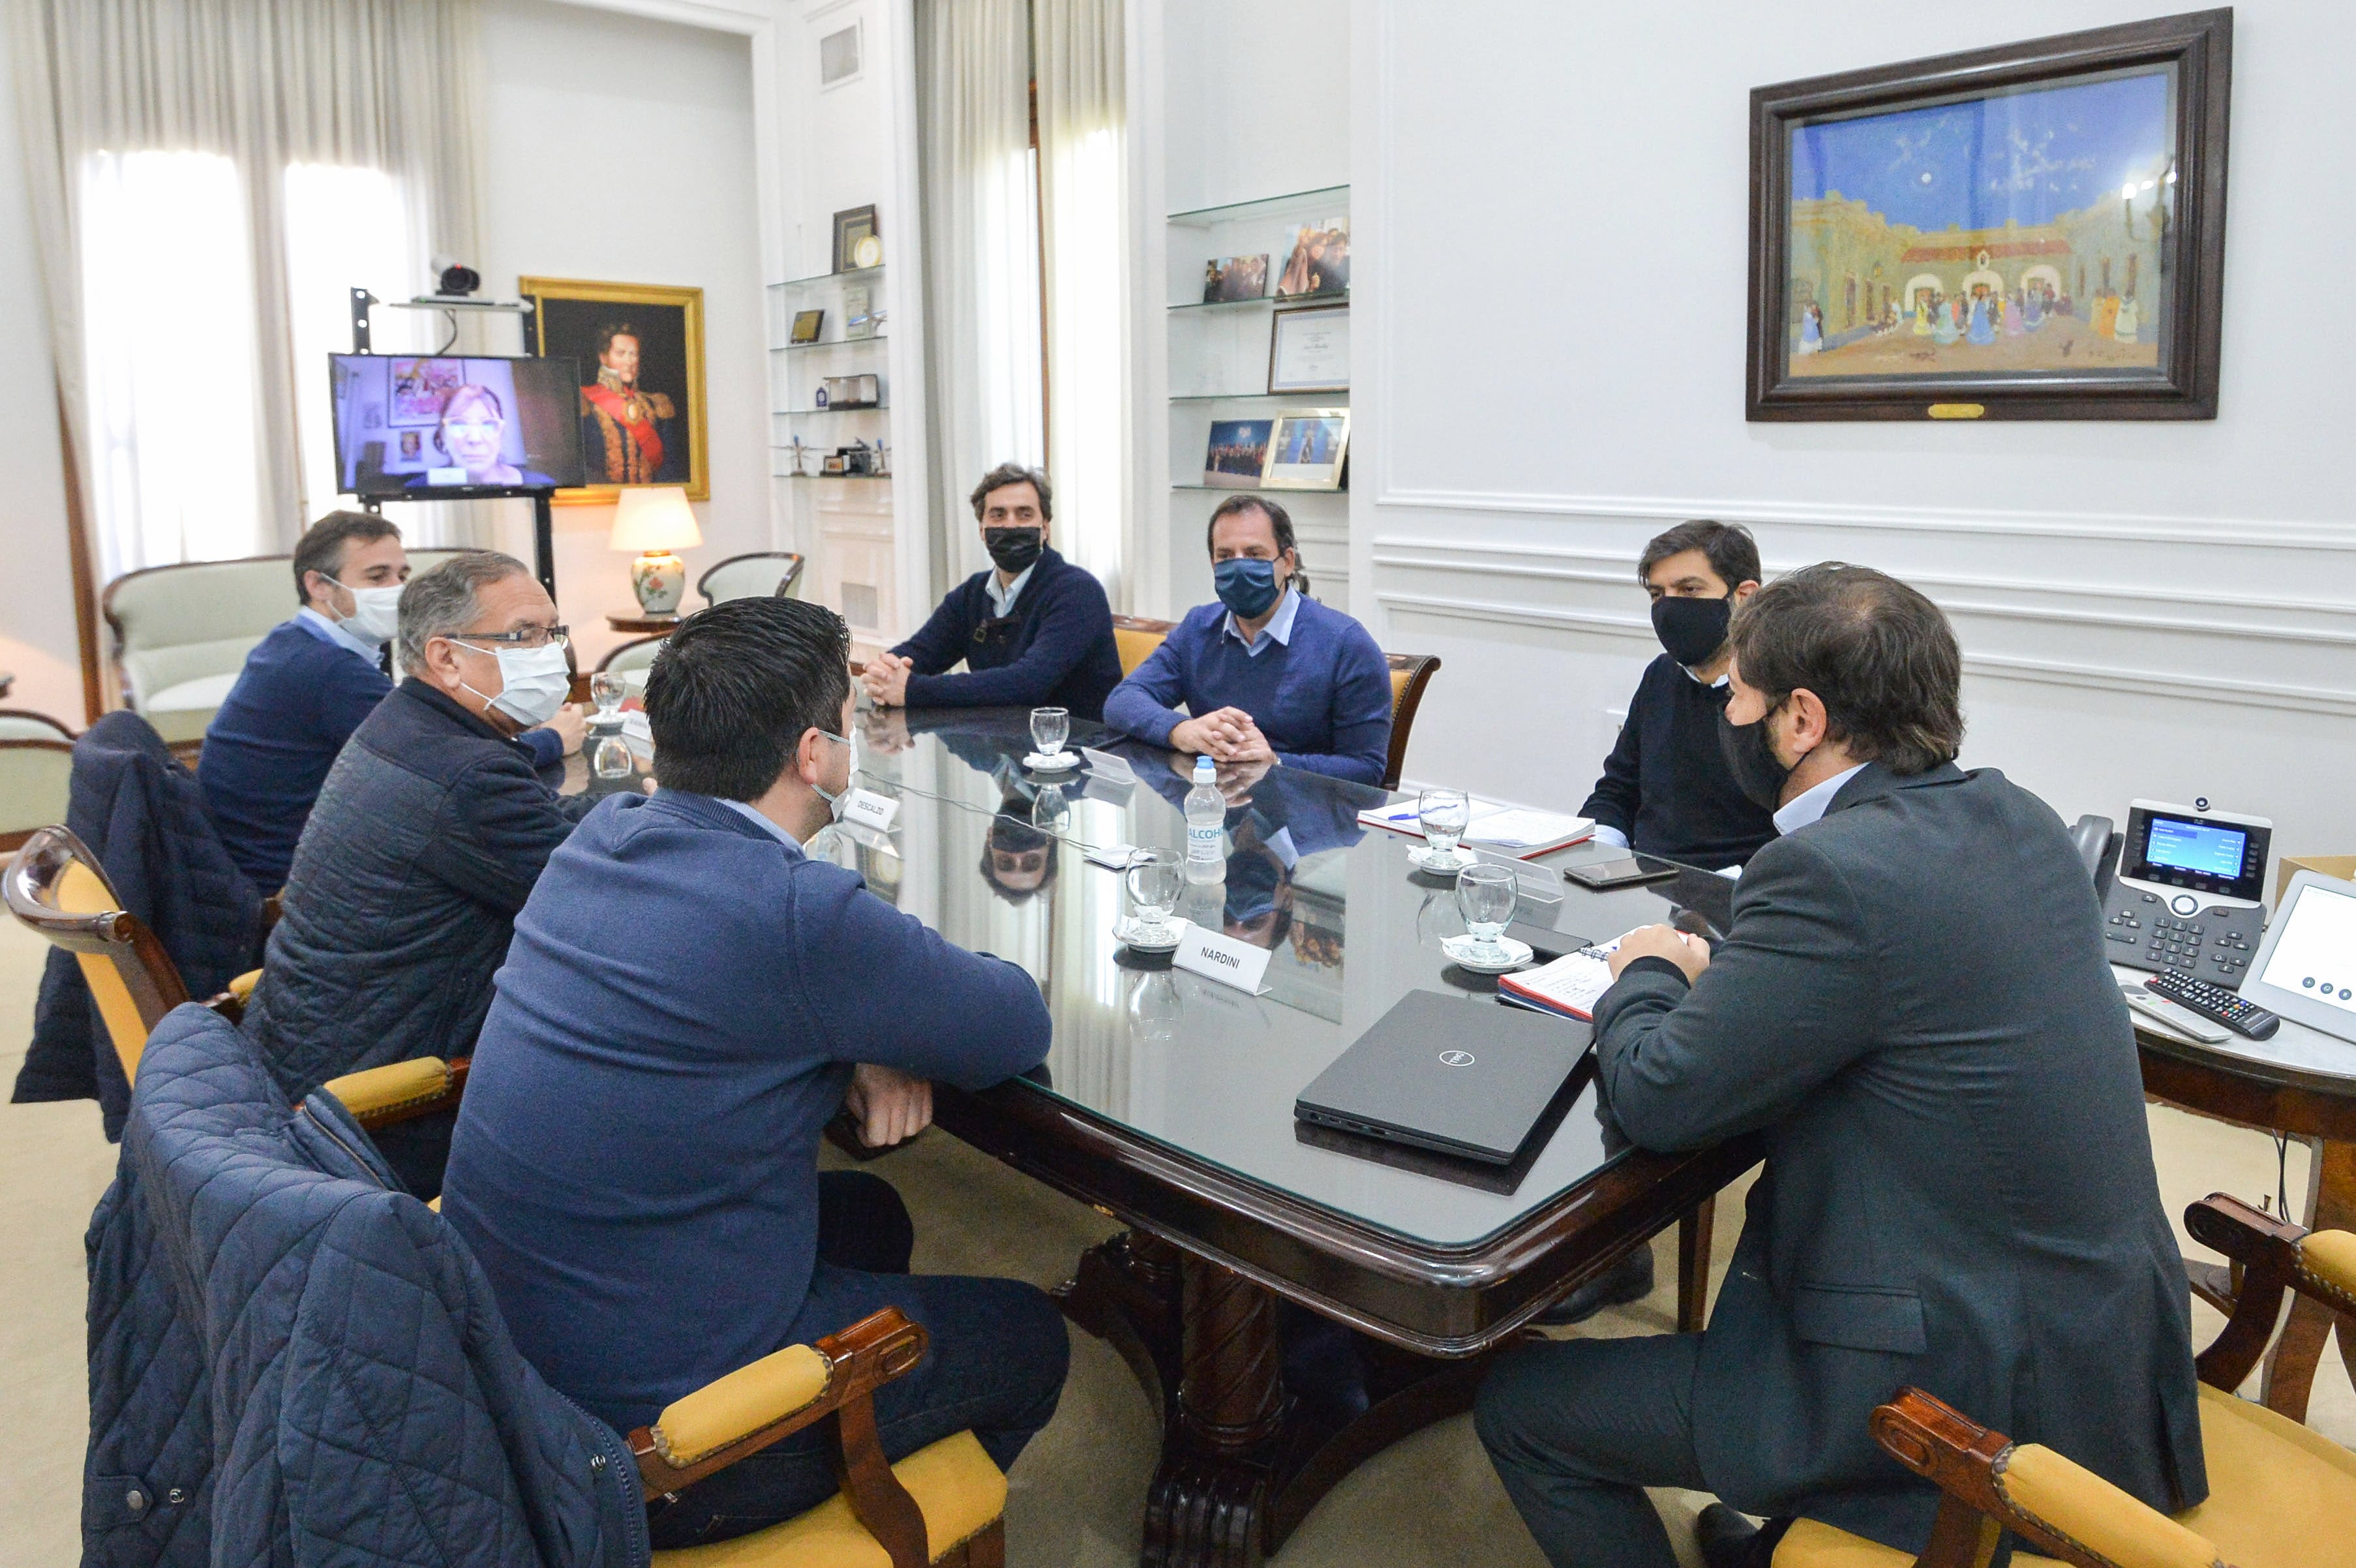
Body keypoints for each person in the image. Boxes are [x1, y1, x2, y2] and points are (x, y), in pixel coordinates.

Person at [1476, 564, 2206, 1568]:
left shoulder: (1830, 870)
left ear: (1803, 719)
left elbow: (1659, 1096)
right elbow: (1894, 997)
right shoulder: (2021, 816)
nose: (1726, 710)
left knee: (1522, 1406)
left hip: (1955, 1392)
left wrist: (1646, 971)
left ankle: (1848, 1499)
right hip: (2101, 1347)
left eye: (1740, 693)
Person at [440, 596, 1068, 1550]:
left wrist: (842, 1033)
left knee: (874, 1216)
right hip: (655, 1446)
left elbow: (725, 992)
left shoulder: (598, 837)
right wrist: (856, 1025)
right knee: (1032, 1336)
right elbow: (1013, 1023)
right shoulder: (795, 914)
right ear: (816, 754)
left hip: (514, 1353)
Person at [241, 551, 594, 1196]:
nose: (551, 653)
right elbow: (598, 908)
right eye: (524, 636)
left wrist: (618, 810)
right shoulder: (465, 772)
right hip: (379, 1109)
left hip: (306, 1047)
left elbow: (541, 833)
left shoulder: (404, 726)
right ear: (446, 657)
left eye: (553, 631)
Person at [199, 513, 577, 888]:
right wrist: (553, 738)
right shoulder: (326, 670)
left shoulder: (296, 643)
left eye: (402, 575)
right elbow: (439, 761)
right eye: (377, 577)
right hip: (279, 876)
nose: (396, 589)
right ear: (319, 585)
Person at [1103, 494, 1392, 784]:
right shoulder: (1199, 627)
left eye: (1254, 554)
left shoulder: (1347, 645)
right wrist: (1182, 730)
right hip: (1214, 810)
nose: (1240, 567)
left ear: (1288, 562)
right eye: (1226, 556)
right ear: (1213, 564)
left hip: (1308, 818)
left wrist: (1275, 763)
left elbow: (1367, 770)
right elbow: (1122, 701)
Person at [1581, 520, 1777, 869]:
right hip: (1645, 884)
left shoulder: (1782, 692)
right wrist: (1596, 854)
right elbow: (1617, 790)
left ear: (1744, 596)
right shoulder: (1661, 675)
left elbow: (1805, 826)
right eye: (1658, 594)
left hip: (1742, 894)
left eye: (1689, 590)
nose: (1670, 609)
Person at [860, 462, 1123, 721]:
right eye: (998, 515)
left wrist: (913, 690)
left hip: (1076, 751)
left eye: (1024, 514)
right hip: (1000, 749)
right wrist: (884, 674)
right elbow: (921, 652)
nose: (1010, 525)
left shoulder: (1077, 592)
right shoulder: (971, 595)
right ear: (982, 531)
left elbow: (1029, 682)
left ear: (1045, 529)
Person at [579, 321, 684, 484]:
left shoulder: (657, 404)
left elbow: (671, 466)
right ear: (604, 357)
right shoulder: (584, 401)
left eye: (634, 354)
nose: (629, 361)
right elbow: (581, 465)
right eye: (621, 354)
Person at [403, 384, 552, 489]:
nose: (474, 439)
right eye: (459, 424)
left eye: (488, 425)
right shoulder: (414, 489)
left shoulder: (543, 485)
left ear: (500, 433)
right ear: (443, 436)